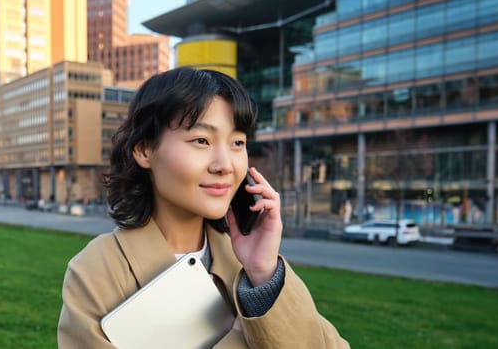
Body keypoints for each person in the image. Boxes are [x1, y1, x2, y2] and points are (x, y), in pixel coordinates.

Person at [57, 68, 348, 348]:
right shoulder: (97, 270)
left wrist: (263, 273)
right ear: (145, 150)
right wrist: (239, 340)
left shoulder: (248, 265)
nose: (224, 165)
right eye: (201, 140)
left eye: (237, 142)